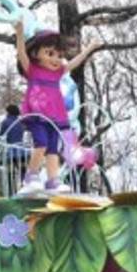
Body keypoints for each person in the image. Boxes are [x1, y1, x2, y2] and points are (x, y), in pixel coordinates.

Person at [13, 21, 99, 195]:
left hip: (55, 116)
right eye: (50, 53)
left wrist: (89, 49)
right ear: (35, 53)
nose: (55, 59)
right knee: (41, 143)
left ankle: (52, 180)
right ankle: (30, 176)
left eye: (59, 55)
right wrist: (20, 34)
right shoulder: (32, 70)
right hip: (37, 114)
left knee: (52, 148)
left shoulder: (57, 72)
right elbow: (21, 53)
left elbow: (74, 63)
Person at [0, 104, 29, 190]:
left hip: (11, 152)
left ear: (8, 112)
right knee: (23, 172)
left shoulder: (5, 122)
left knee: (10, 174)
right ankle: (25, 188)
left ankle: (12, 191)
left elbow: (1, 135)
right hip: (22, 151)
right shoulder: (21, 122)